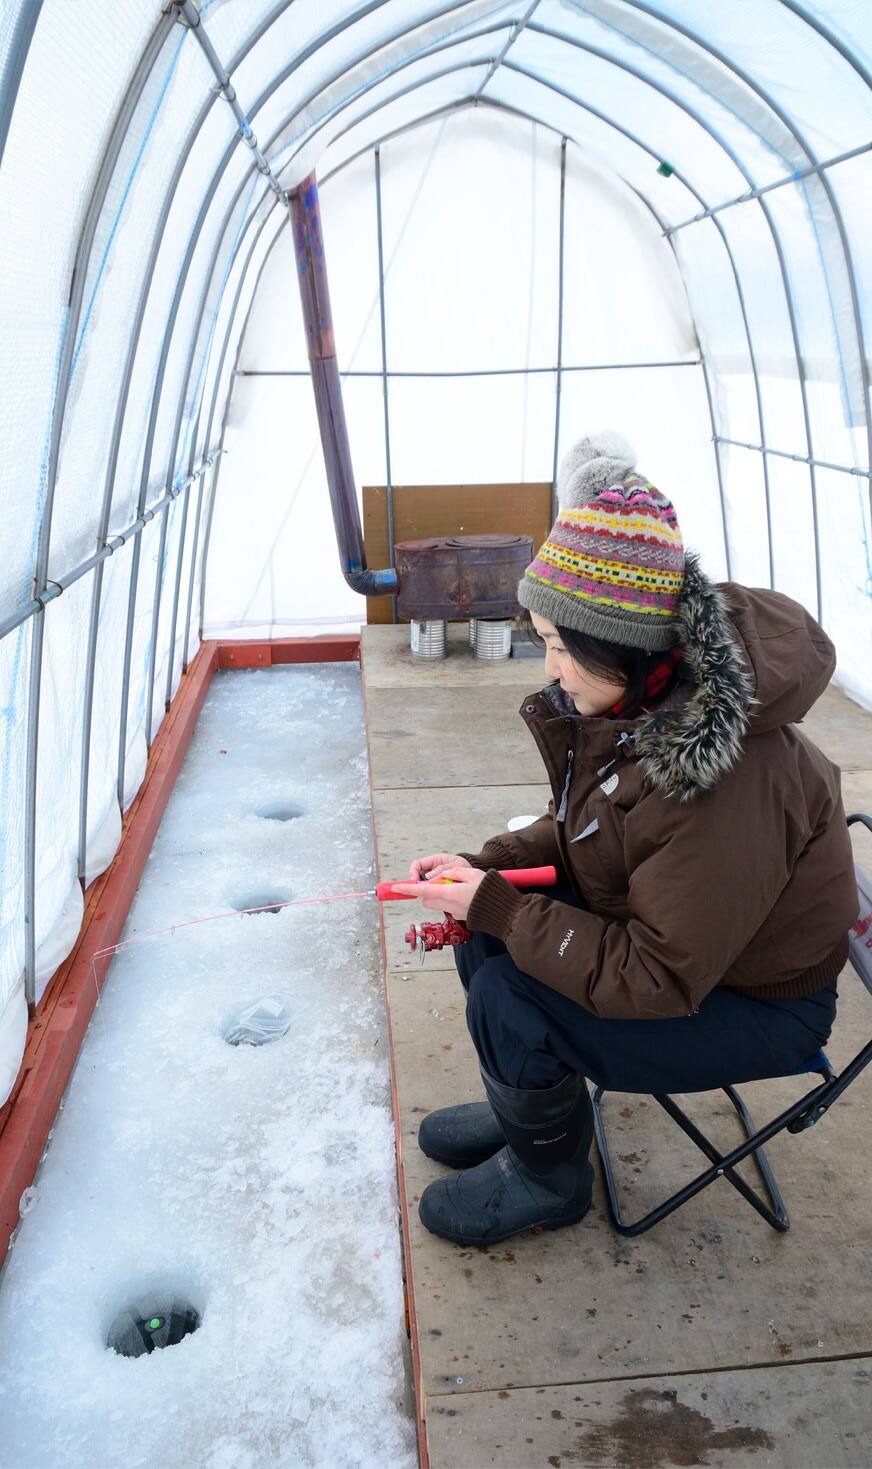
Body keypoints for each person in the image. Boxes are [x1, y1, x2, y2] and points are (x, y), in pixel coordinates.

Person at [391, 431, 859, 1248]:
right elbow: (600, 828)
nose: (550, 669)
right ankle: (532, 1112)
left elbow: (658, 975)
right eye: (544, 641)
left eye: (561, 647)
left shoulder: (721, 781)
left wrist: (504, 905)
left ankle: (550, 1176)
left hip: (750, 999)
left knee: (508, 992)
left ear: (626, 647)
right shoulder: (648, 703)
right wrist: (489, 868)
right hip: (699, 950)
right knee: (486, 937)